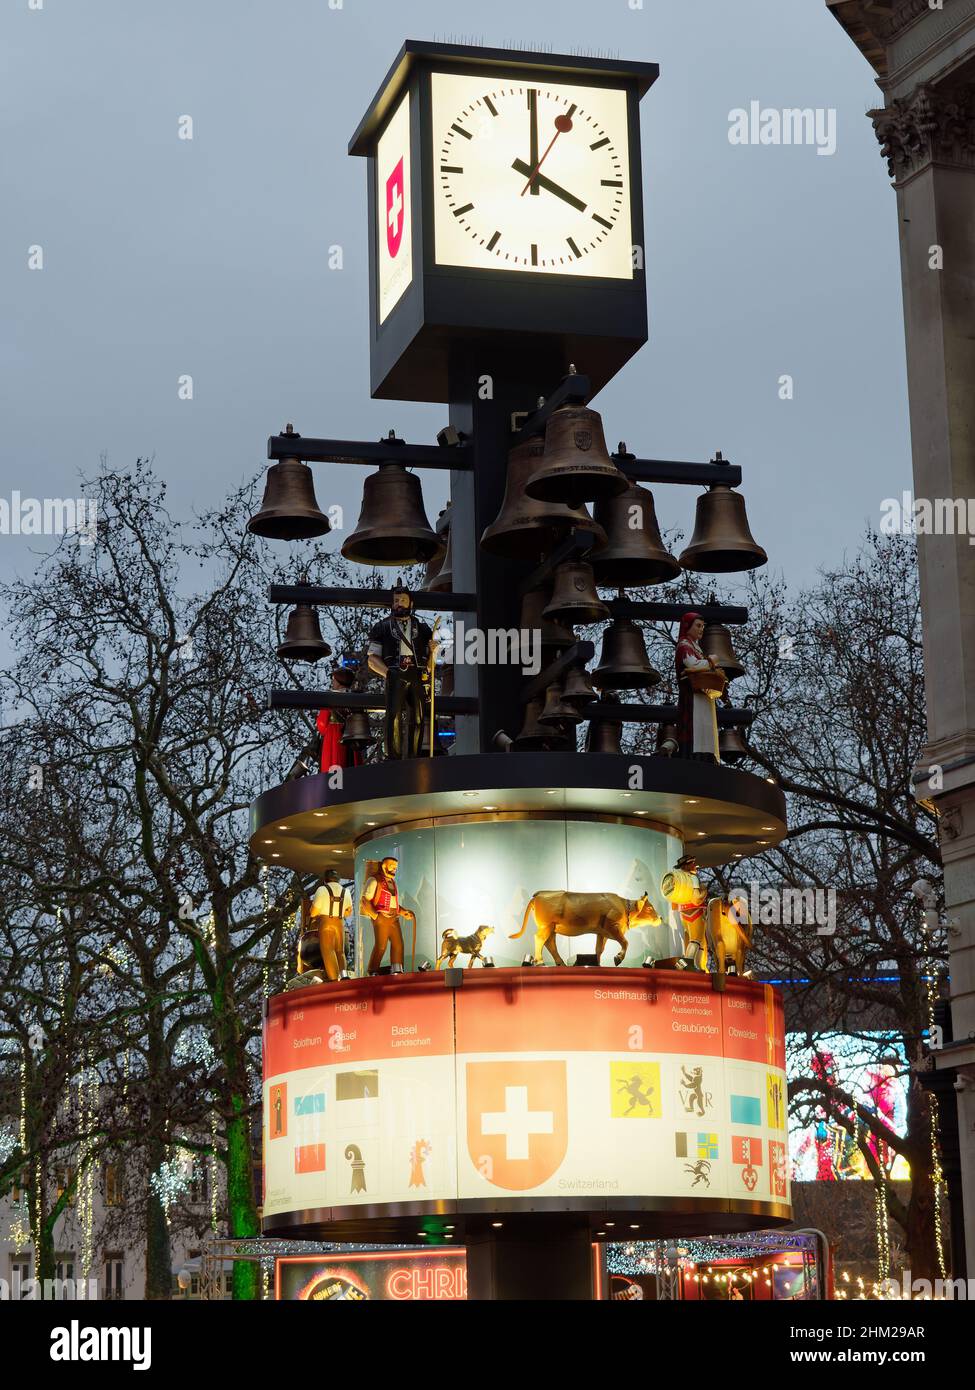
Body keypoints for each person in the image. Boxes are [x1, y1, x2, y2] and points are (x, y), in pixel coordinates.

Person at [367, 584, 435, 759]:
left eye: (403, 600)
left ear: (411, 604)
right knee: (394, 716)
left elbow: (430, 662)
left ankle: (414, 757)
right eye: (396, 601)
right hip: (395, 672)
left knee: (419, 718)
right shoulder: (382, 627)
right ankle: (394, 757)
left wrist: (433, 652)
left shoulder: (423, 629)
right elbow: (372, 658)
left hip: (417, 674)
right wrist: (389, 673)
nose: (399, 604)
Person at [675, 611, 724, 761]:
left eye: (703, 626)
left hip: (703, 694)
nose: (701, 629)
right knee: (695, 726)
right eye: (698, 625)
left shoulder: (697, 648)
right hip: (692, 696)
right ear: (687, 626)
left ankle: (706, 755)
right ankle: (695, 755)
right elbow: (692, 664)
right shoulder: (683, 646)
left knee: (705, 725)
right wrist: (711, 662)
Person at [360, 856, 416, 975]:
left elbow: (393, 904)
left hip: (393, 918)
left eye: (395, 867)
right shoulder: (374, 880)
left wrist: (403, 912)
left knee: (398, 944)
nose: (394, 869)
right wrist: (376, 916)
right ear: (384, 866)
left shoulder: (392, 883)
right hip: (381, 918)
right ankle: (373, 971)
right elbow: (365, 901)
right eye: (392, 866)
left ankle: (397, 969)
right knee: (381, 946)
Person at [303, 869, 353, 981]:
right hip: (340, 922)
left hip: (326, 922)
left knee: (328, 950)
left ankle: (334, 978)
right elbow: (348, 912)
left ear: (325, 880)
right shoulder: (346, 891)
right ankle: (344, 975)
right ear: (338, 879)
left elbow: (314, 912)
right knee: (340, 951)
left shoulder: (322, 889)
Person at [315, 666, 362, 774]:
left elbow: (322, 725)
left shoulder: (330, 697)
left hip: (334, 736)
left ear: (338, 681)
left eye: (333, 680)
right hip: (353, 735)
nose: (333, 682)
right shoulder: (356, 697)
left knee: (335, 765)